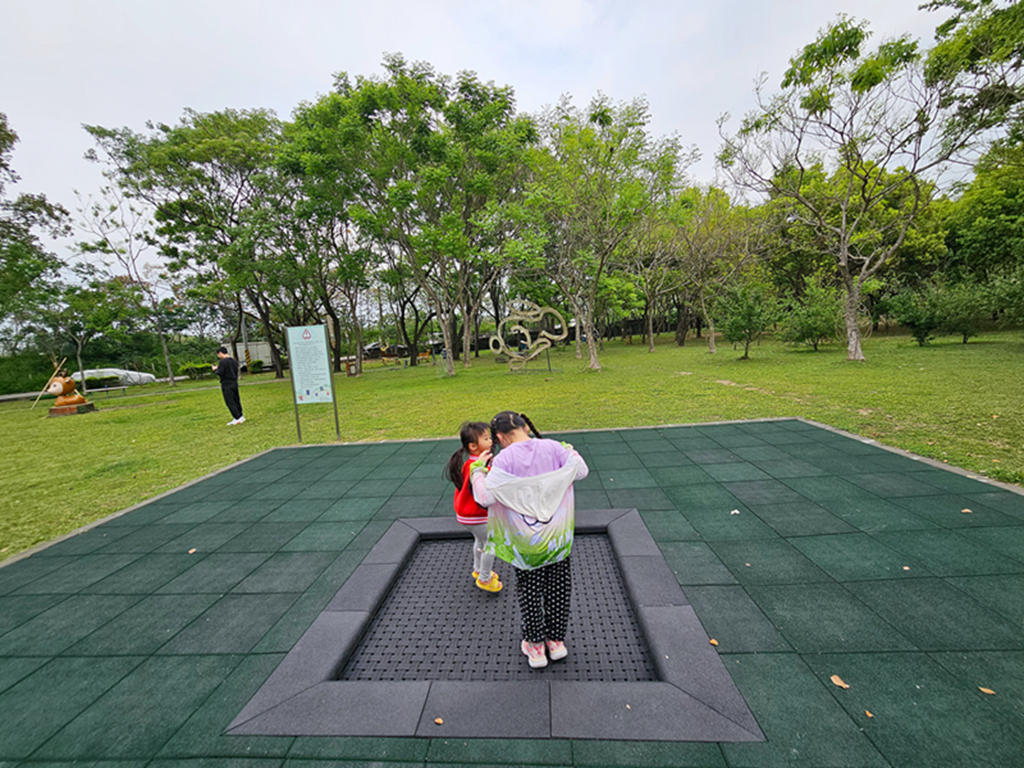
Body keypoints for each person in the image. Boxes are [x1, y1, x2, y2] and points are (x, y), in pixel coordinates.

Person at [470, 411, 589, 669]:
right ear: (525, 427)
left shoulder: (504, 460)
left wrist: (477, 470)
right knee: (559, 589)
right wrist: (571, 451)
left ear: (500, 437)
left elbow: (485, 497)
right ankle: (556, 642)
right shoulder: (554, 448)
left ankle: (535, 648)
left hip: (525, 547)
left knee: (531, 593)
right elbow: (581, 471)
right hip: (557, 540)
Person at [445, 422, 503, 593]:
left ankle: (478, 569)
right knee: (491, 545)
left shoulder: (471, 462)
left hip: (466, 514)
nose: (491, 441)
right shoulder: (478, 466)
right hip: (476, 515)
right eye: (486, 438)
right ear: (473, 446)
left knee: (480, 541)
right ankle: (485, 578)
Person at [212, 347, 245, 425]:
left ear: (220, 353)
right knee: (236, 399)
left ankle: (237, 417)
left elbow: (220, 373)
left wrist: (215, 369)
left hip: (226, 383)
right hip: (234, 382)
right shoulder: (234, 361)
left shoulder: (223, 362)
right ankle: (240, 415)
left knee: (230, 401)